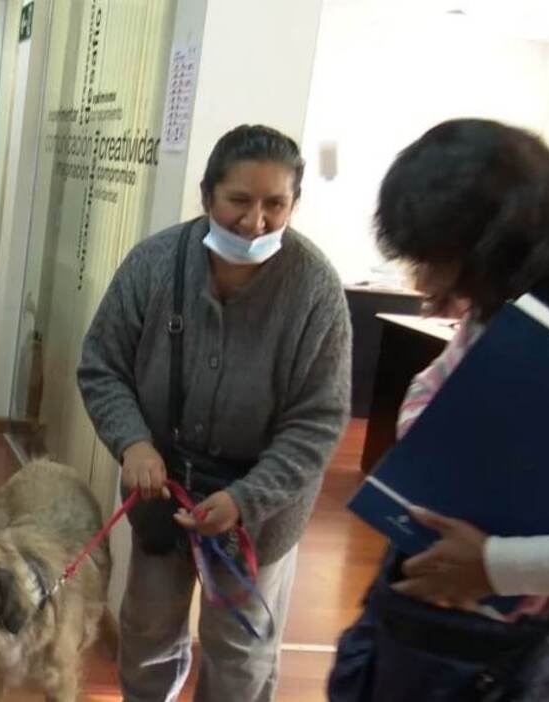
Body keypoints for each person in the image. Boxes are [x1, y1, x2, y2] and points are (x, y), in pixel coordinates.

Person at [79, 125, 352, 702]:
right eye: (239, 202)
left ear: (293, 205)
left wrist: (246, 500)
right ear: (208, 196)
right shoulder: (155, 264)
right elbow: (102, 365)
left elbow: (319, 421)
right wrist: (133, 443)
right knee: (148, 630)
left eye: (275, 205)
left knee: (240, 649)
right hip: (164, 492)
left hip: (261, 507)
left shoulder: (316, 290)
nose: (255, 222)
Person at [328, 119, 549, 702]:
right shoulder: (501, 309)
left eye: (438, 260)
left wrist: (498, 565)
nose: (428, 284)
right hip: (422, 607)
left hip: (501, 638)